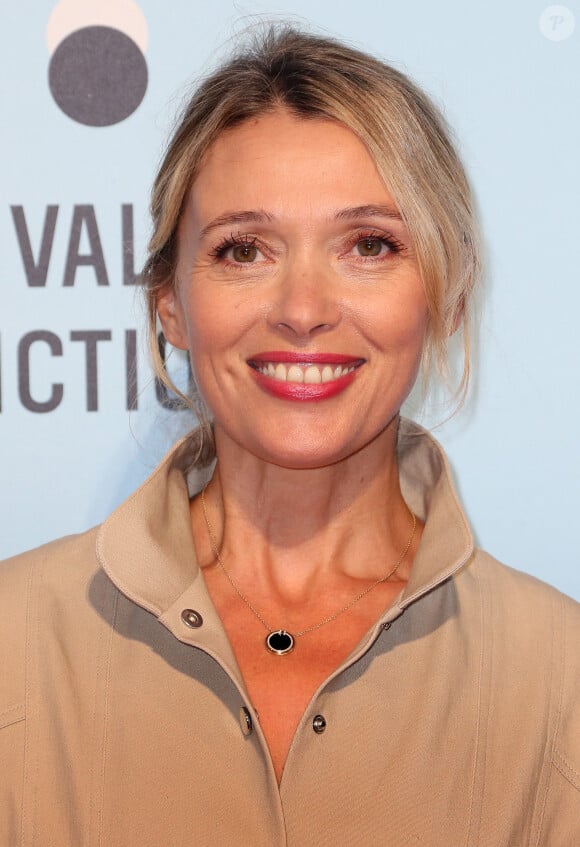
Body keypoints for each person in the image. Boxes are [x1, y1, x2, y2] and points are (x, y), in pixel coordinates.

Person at [1, 24, 578, 847]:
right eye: (245, 250)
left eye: (369, 245)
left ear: (447, 295)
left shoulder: (560, 678)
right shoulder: (13, 642)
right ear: (170, 300)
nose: (303, 309)